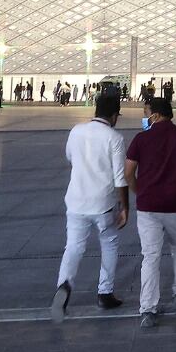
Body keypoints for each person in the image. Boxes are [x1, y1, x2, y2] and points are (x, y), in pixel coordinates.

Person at [50, 92, 128, 321]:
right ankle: (105, 292)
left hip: (75, 200)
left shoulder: (76, 131)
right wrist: (125, 207)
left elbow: (70, 157)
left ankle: (63, 286)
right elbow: (120, 178)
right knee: (110, 244)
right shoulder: (114, 138)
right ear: (114, 115)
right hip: (102, 203)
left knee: (73, 246)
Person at [125, 95, 176, 328]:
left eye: (146, 112)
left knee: (150, 256)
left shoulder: (141, 139)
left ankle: (148, 309)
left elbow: (128, 172)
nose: (145, 116)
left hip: (148, 207)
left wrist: (138, 191)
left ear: (155, 113)